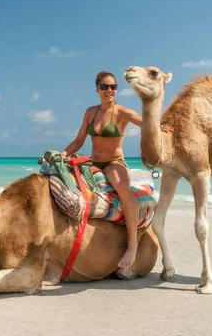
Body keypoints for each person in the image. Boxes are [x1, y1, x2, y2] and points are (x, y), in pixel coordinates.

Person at [60, 70, 170, 270]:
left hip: (114, 163)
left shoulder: (122, 113)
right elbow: (78, 141)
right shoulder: (90, 112)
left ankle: (133, 246)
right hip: (94, 162)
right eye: (105, 87)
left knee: (123, 190)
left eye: (113, 87)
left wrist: (161, 119)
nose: (109, 90)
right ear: (97, 89)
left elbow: (149, 125)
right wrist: (62, 154)